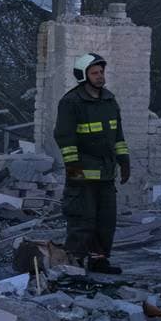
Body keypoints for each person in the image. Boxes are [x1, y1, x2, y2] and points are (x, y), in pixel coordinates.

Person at [55, 53, 130, 274]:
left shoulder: (109, 100)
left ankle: (99, 261)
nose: (100, 77)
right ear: (83, 76)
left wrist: (124, 161)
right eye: (95, 73)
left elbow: (118, 135)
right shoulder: (71, 102)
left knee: (106, 221)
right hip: (82, 173)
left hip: (106, 173)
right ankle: (74, 264)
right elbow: (65, 139)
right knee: (82, 219)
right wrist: (74, 172)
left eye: (101, 72)